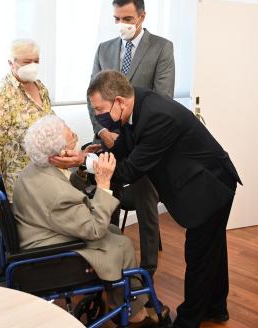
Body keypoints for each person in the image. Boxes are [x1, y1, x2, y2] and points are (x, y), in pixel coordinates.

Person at [53, 70, 241, 328]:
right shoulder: (136, 103)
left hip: (209, 184)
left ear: (119, 101)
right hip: (202, 178)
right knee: (213, 249)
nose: (98, 116)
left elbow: (130, 170)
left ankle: (188, 320)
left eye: (99, 109)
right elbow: (126, 146)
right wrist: (99, 153)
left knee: (199, 254)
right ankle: (217, 308)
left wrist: (85, 161)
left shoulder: (157, 117)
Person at [13, 115, 169, 327]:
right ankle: (132, 313)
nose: (76, 143)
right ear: (59, 155)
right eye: (72, 141)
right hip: (53, 253)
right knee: (120, 243)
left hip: (43, 233)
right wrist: (103, 183)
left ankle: (124, 300)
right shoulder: (56, 194)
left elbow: (69, 192)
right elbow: (94, 228)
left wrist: (80, 169)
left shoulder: (34, 170)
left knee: (113, 230)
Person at [88, 0, 175, 276]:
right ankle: (107, 253)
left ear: (142, 16)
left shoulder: (161, 47)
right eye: (116, 18)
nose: (122, 23)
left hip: (142, 142)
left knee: (146, 201)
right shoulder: (104, 49)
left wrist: (126, 137)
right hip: (107, 140)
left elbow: (162, 99)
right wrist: (102, 132)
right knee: (105, 196)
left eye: (127, 18)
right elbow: (92, 96)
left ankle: (147, 268)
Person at [0, 39, 53, 282]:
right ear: (11, 63)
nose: (32, 66)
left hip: (40, 178)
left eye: (36, 61)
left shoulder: (40, 88)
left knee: (33, 233)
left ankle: (31, 280)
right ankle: (3, 283)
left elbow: (49, 124)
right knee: (2, 234)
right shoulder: (0, 95)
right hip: (10, 184)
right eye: (26, 61)